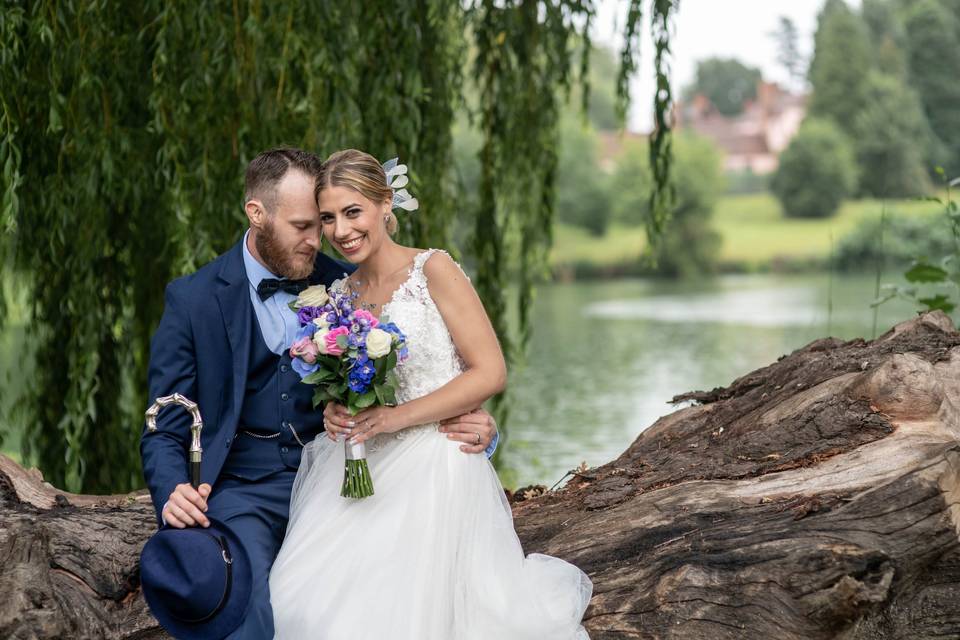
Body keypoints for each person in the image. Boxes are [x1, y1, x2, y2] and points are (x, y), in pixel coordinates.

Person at [140, 147, 499, 639]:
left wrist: (479, 426)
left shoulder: (345, 282)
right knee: (252, 610)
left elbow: (437, 375)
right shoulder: (193, 299)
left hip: (346, 473)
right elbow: (165, 420)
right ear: (257, 213)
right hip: (247, 487)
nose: (322, 238)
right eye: (306, 225)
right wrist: (171, 491)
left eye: (325, 222)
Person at [269, 149, 592, 639]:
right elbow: (348, 383)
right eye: (328, 218)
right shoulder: (340, 293)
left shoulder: (433, 270)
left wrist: (398, 418)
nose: (340, 230)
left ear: (384, 205)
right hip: (357, 463)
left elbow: (489, 372)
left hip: (436, 462)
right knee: (300, 600)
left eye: (353, 212)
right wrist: (337, 409)